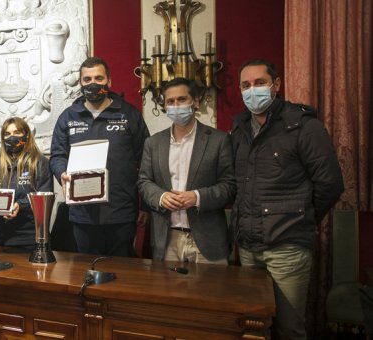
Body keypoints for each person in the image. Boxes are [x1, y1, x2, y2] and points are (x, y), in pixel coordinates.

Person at [231, 59, 344, 339]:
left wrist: (300, 216)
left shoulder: (303, 126)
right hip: (248, 246)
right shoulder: (240, 129)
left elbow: (330, 184)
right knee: (254, 326)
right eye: (246, 85)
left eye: (259, 83)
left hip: (288, 248)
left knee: (289, 327)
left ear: (276, 85)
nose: (252, 90)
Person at [49, 56, 150, 257]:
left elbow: (146, 161)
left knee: (122, 273)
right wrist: (62, 173)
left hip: (121, 211)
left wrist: (145, 205)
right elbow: (57, 156)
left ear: (109, 82)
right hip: (83, 213)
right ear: (80, 83)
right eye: (87, 80)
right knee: (89, 270)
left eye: (98, 78)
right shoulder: (68, 117)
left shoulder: (129, 114)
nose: (93, 84)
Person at [138, 78, 236, 264]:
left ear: (195, 102)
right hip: (166, 240)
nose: (176, 106)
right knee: (167, 293)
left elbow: (229, 186)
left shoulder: (219, 140)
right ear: (164, 106)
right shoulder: (153, 143)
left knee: (211, 292)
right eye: (170, 101)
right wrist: (160, 197)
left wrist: (197, 197)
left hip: (208, 240)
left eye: (181, 99)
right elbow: (144, 182)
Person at [0, 117, 53, 249]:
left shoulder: (40, 162)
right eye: (7, 134)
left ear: (27, 135)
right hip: (2, 237)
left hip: (30, 236)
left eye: (17, 132)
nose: (12, 137)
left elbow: (44, 195)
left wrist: (20, 205)